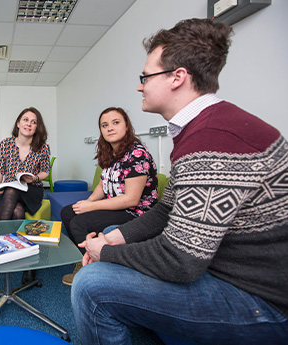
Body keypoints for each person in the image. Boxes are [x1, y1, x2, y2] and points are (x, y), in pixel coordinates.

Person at [71, 18, 288, 344]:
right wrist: (116, 238)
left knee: (90, 285)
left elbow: (181, 261)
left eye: (145, 77)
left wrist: (107, 253)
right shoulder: (205, 129)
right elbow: (164, 210)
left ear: (177, 78)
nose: (139, 86)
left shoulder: (212, 139)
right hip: (223, 272)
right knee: (108, 236)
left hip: (259, 301)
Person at [60, 107, 158, 286]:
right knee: (68, 212)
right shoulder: (110, 153)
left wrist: (91, 207)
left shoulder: (137, 153)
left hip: (136, 211)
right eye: (104, 125)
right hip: (116, 205)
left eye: (116, 123)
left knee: (78, 222)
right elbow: (102, 185)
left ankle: (91, 267)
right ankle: (85, 255)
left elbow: (131, 199)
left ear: (127, 126)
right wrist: (87, 202)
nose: (110, 128)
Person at [0, 107, 51, 283]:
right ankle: (28, 264)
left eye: (34, 122)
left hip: (31, 189)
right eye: (26, 120)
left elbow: (45, 172)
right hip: (11, 189)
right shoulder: (5, 144)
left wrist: (33, 177)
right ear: (18, 123)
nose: (29, 124)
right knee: (17, 209)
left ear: (37, 127)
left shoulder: (42, 147)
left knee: (13, 192)